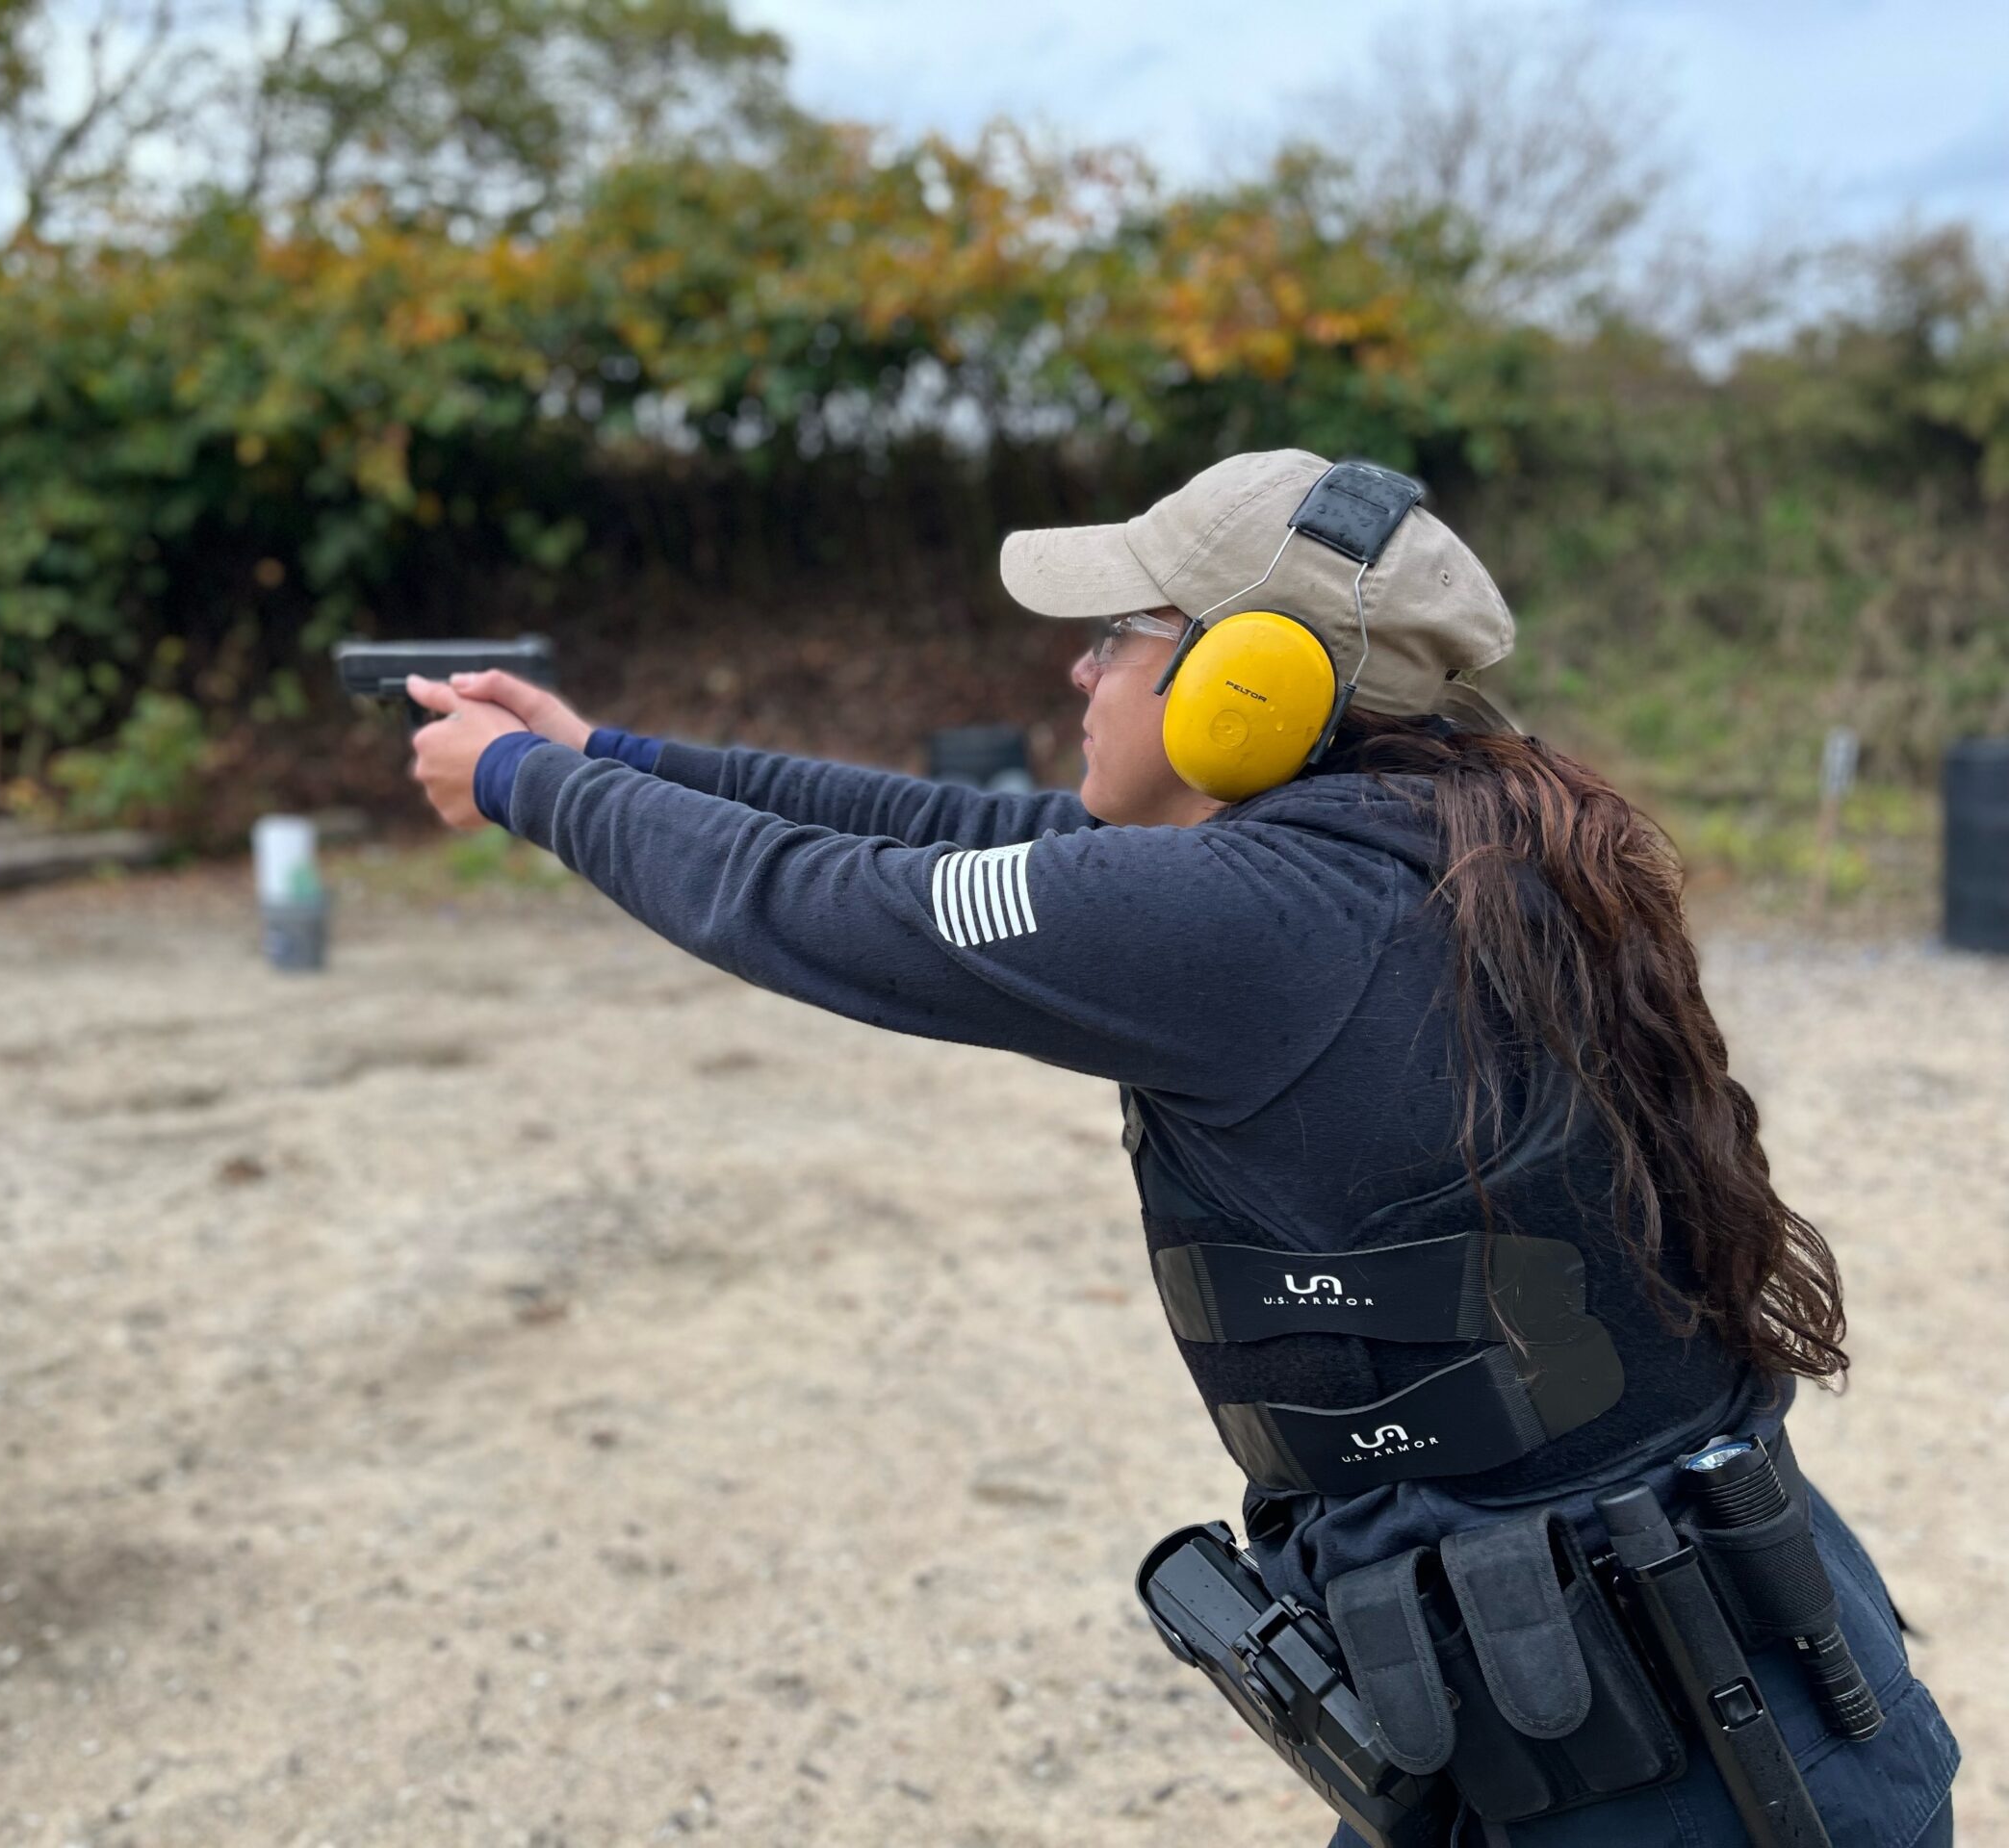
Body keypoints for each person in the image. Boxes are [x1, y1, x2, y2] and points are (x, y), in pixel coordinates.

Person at [399, 449, 1959, 1845]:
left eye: (1118, 633)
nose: (1079, 669)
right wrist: (605, 750)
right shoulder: (1448, 841)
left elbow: (824, 902)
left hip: (1685, 1777)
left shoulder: (1262, 919)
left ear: (1253, 677)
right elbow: (959, 837)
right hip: (1661, 1703)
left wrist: (527, 785)